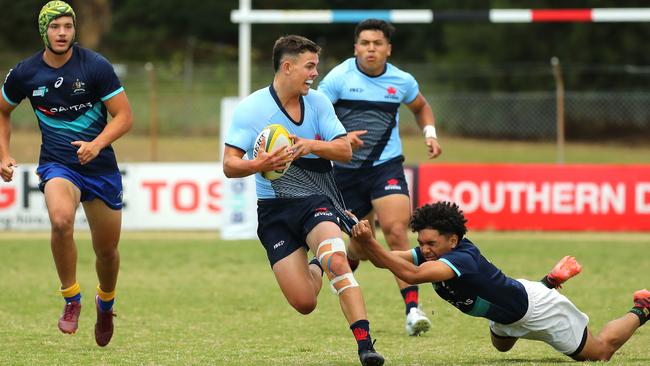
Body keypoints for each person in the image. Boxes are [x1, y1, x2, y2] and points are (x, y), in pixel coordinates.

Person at [223, 35, 384, 366]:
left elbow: (344, 149)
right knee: (304, 302)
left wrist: (311, 145)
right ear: (287, 66)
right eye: (309, 66)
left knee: (338, 261)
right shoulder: (252, 109)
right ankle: (316, 264)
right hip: (274, 213)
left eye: (316, 66)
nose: (315, 73)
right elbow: (229, 164)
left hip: (317, 200)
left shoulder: (320, 103)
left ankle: (365, 346)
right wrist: (260, 164)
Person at [351, 201, 650, 361]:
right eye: (421, 243)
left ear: (452, 240)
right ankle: (546, 282)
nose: (424, 249)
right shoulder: (436, 252)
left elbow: (410, 274)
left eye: (430, 243)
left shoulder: (461, 259)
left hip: (538, 310)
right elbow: (388, 261)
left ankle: (642, 306)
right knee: (502, 347)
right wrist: (364, 243)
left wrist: (371, 243)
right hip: (507, 309)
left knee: (599, 353)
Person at [0, 1, 132, 347]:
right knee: (60, 222)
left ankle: (106, 302)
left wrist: (97, 144)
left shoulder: (95, 66)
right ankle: (72, 299)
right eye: (55, 27)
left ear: (73, 30)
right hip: (58, 165)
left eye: (68, 27)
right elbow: (2, 111)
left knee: (107, 252)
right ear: (44, 30)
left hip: (100, 168)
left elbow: (123, 116)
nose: (62, 33)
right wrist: (3, 153)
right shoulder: (25, 73)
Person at [318, 18, 442, 336]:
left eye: (377, 43)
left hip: (385, 166)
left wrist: (429, 133)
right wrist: (341, 139)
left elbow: (421, 106)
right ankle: (351, 256)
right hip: (344, 171)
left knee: (397, 230)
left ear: (388, 48)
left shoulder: (401, 81)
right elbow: (315, 114)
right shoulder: (338, 79)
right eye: (364, 43)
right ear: (355, 47)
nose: (370, 49)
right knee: (361, 243)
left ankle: (413, 310)